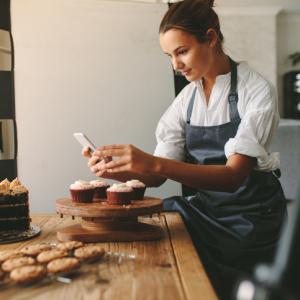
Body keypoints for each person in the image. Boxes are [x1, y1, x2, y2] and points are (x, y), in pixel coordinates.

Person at [83, 0, 287, 298]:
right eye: (169, 55)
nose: (176, 65)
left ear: (211, 38)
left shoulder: (255, 91)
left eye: (182, 52)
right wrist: (116, 170)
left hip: (251, 218)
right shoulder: (186, 100)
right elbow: (156, 177)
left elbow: (234, 176)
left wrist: (151, 163)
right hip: (206, 211)